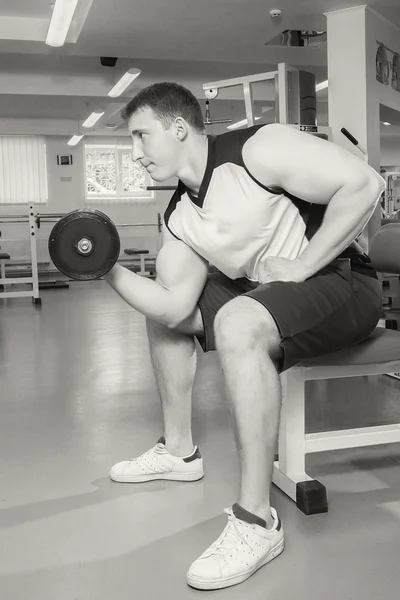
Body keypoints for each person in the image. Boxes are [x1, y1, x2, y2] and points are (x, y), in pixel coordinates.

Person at [104, 82, 385, 590]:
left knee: (237, 319)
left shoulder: (256, 149)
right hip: (272, 291)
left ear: (179, 127)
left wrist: (301, 265)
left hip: (342, 281)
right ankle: (179, 451)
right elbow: (173, 307)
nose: (136, 153)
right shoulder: (177, 217)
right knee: (170, 316)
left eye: (142, 136)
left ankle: (258, 521)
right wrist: (105, 267)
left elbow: (364, 185)